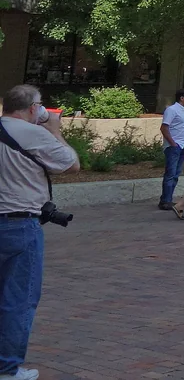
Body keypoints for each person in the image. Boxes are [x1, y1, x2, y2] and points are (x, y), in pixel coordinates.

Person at [0, 84, 80, 380]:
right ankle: (7, 368)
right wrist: (55, 129)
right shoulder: (33, 133)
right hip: (19, 223)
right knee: (18, 300)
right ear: (33, 109)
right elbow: (72, 164)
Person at [158, 88, 184, 212]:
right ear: (181, 98)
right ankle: (165, 200)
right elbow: (164, 127)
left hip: (183, 145)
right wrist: (172, 143)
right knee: (170, 173)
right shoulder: (171, 110)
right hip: (174, 146)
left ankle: (168, 198)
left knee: (176, 174)